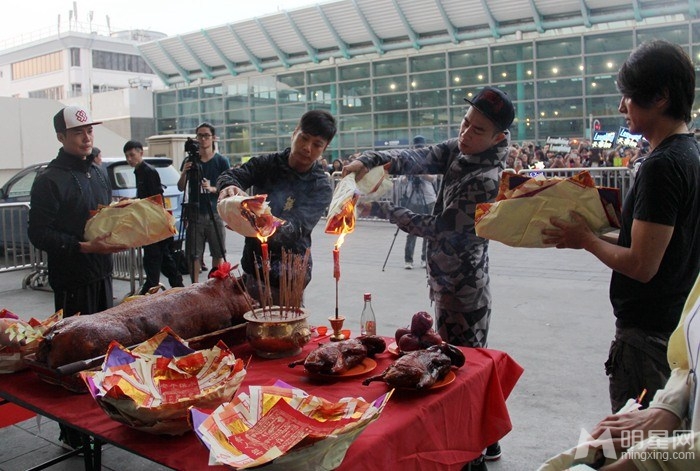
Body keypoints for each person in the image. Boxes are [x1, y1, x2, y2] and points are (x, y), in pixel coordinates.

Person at [343, 86, 514, 469]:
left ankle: (472, 453)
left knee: (461, 375)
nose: (466, 134)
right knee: (456, 369)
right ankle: (488, 442)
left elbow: (439, 227)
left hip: (465, 292)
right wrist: (369, 161)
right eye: (465, 123)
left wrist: (381, 207)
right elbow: (415, 157)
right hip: (444, 281)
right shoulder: (460, 149)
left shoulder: (486, 178)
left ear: (498, 137)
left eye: (478, 130)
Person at [542, 39, 700, 414]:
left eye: (628, 96)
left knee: (635, 445)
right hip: (676, 327)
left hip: (648, 339)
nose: (621, 107)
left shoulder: (661, 166)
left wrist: (585, 240)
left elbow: (642, 265)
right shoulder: (690, 154)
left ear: (660, 97)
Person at [27, 105, 127, 449]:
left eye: (90, 132)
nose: (86, 138)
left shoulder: (97, 173)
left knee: (103, 354)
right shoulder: (49, 179)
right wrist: (83, 247)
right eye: (78, 133)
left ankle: (100, 421)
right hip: (72, 279)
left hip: (102, 274)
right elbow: (39, 234)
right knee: (72, 360)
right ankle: (71, 431)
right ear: (61, 137)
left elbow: (102, 217)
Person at [217, 109, 335, 305]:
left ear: (325, 147)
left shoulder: (320, 186)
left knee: (286, 330)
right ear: (294, 132)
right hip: (253, 269)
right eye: (304, 138)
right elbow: (231, 176)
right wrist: (229, 188)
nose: (307, 148)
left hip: (290, 275)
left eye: (317, 145)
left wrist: (256, 219)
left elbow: (295, 229)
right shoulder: (267, 163)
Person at [123, 140, 184, 294]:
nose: (130, 159)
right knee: (163, 260)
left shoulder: (148, 171)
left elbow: (155, 199)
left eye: (132, 155)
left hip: (155, 225)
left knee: (153, 260)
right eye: (127, 156)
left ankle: (148, 292)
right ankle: (179, 287)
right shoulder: (139, 171)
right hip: (150, 225)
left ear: (141, 153)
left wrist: (133, 204)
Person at [177, 122, 230, 283]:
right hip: (195, 213)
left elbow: (227, 186)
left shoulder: (221, 161)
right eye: (199, 135)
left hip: (215, 212)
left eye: (206, 135)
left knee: (217, 253)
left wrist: (212, 188)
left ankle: (215, 285)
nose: (202, 139)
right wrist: (185, 172)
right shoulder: (190, 160)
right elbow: (181, 187)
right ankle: (194, 286)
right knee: (194, 254)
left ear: (213, 138)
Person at [401, 135, 437, 269]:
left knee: (427, 230)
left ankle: (424, 258)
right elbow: (402, 181)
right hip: (413, 199)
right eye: (417, 147)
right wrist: (409, 174)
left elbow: (433, 179)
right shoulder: (408, 161)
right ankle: (408, 259)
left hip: (428, 199)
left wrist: (421, 173)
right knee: (411, 230)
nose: (419, 150)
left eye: (421, 147)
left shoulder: (431, 161)